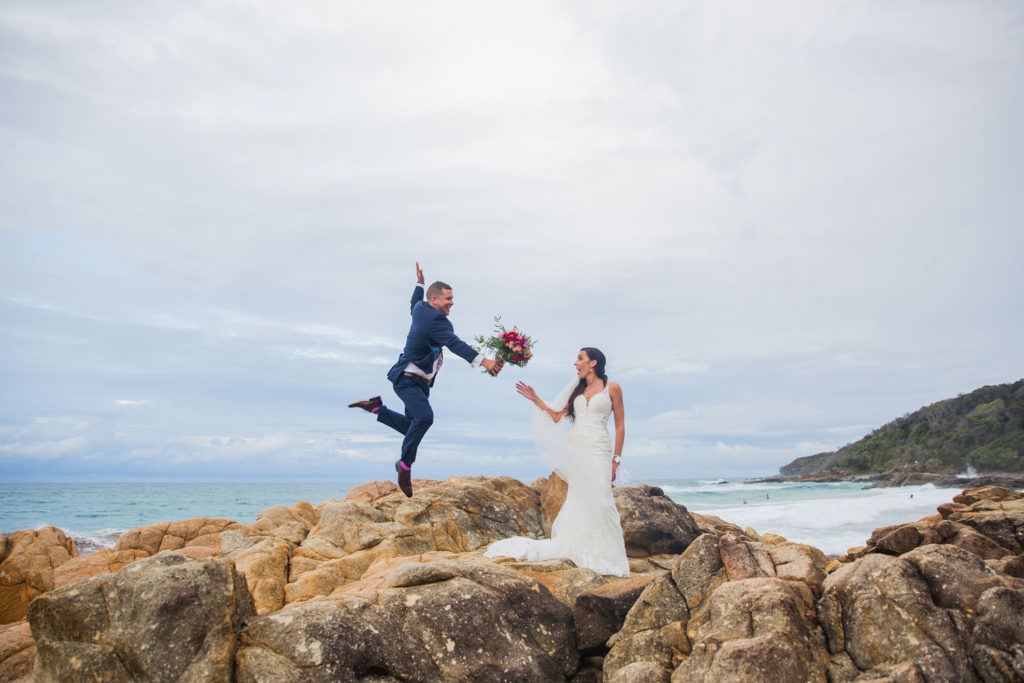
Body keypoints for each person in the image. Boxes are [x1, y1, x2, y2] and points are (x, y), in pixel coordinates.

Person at [349, 262, 503, 497]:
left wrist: (419, 283)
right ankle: (404, 466)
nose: (452, 302)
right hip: (407, 378)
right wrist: (485, 361)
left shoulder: (421, 309)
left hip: (419, 382)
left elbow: (413, 303)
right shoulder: (436, 320)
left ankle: (376, 408)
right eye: (448, 298)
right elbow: (455, 343)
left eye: (452, 298)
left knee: (412, 426)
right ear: (435, 300)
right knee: (425, 418)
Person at [484, 348, 630, 576]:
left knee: (602, 500)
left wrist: (617, 459)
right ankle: (582, 550)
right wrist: (536, 399)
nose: (575, 363)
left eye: (579, 359)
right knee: (580, 499)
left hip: (599, 448)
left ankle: (607, 556)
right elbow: (556, 417)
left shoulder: (613, 388)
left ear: (593, 363)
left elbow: (620, 425)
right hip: (576, 447)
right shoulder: (577, 390)